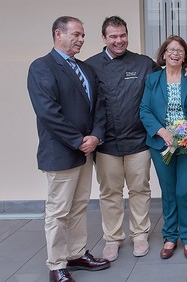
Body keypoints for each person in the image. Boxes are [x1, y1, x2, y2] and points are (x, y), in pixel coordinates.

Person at [27, 16, 110, 282]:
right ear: (58, 34)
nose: (81, 39)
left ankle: (76, 254)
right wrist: (78, 141)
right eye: (76, 34)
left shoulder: (86, 69)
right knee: (58, 212)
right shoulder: (42, 67)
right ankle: (57, 265)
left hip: (86, 151)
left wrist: (96, 136)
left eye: (83, 35)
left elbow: (99, 106)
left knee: (78, 207)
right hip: (62, 152)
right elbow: (48, 113)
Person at [85, 16, 160, 261]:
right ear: (104, 39)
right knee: (110, 193)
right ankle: (113, 238)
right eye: (113, 36)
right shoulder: (90, 66)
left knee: (140, 189)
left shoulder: (143, 64)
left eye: (123, 35)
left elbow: (169, 79)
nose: (119, 40)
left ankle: (139, 234)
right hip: (105, 144)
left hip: (138, 141)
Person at [140, 35, 187, 261]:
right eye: (170, 49)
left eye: (179, 50)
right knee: (169, 192)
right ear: (163, 54)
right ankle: (170, 236)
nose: (174, 53)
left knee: (184, 191)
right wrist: (162, 132)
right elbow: (145, 111)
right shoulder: (153, 79)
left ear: (185, 56)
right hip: (162, 144)